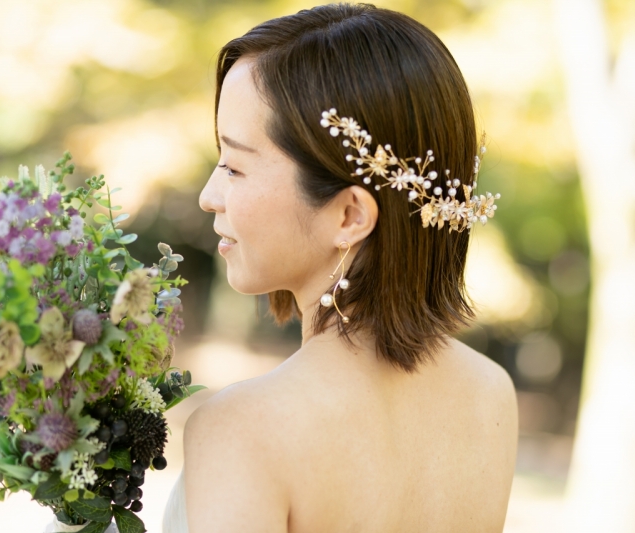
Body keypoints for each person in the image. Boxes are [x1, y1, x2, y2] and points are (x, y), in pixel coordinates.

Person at [164, 3, 518, 532]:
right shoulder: (490, 392)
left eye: (235, 166)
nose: (208, 196)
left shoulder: (244, 428)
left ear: (350, 215)